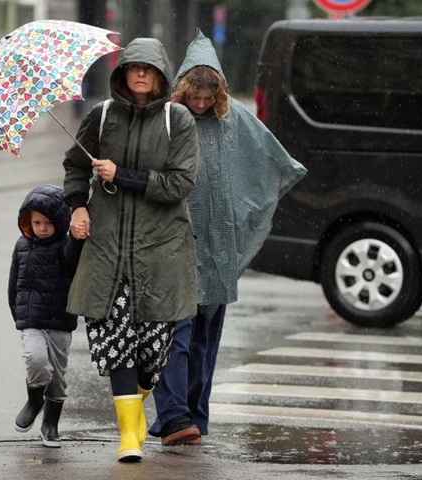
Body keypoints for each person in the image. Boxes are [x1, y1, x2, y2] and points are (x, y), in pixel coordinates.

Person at [149, 30, 307, 446]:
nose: (200, 104)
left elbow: (271, 162)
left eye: (207, 97)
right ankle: (173, 416)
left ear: (216, 92)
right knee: (175, 336)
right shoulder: (165, 119)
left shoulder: (232, 118)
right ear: (183, 89)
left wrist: (247, 212)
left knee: (204, 342)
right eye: (194, 97)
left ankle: (195, 416)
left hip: (218, 247)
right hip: (175, 244)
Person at [62, 37, 200, 463]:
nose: (141, 74)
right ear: (121, 74)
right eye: (133, 67)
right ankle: (128, 434)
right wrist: (78, 206)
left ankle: (137, 409)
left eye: (149, 68)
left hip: (161, 252)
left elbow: (179, 184)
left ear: (160, 76)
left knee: (153, 351)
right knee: (115, 339)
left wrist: (123, 175)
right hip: (108, 252)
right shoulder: (101, 118)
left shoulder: (178, 121)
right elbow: (74, 167)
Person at [8, 184, 85, 448]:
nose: (41, 227)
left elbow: (74, 262)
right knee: (35, 358)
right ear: (27, 221)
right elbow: (14, 284)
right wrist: (19, 315)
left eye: (48, 223)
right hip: (32, 320)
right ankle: (34, 399)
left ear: (60, 222)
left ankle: (50, 425)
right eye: (36, 222)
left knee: (58, 377)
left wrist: (76, 238)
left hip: (60, 322)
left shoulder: (65, 246)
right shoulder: (22, 246)